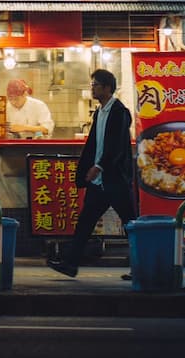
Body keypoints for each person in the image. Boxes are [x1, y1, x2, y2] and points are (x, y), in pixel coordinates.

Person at [47, 68, 136, 278]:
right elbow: (95, 143)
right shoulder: (100, 112)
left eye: (95, 84)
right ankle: (70, 265)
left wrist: (99, 166)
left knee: (131, 224)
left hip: (115, 179)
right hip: (99, 182)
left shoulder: (119, 112)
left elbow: (116, 146)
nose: (92, 88)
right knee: (85, 223)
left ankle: (141, 267)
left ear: (107, 88)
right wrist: (89, 167)